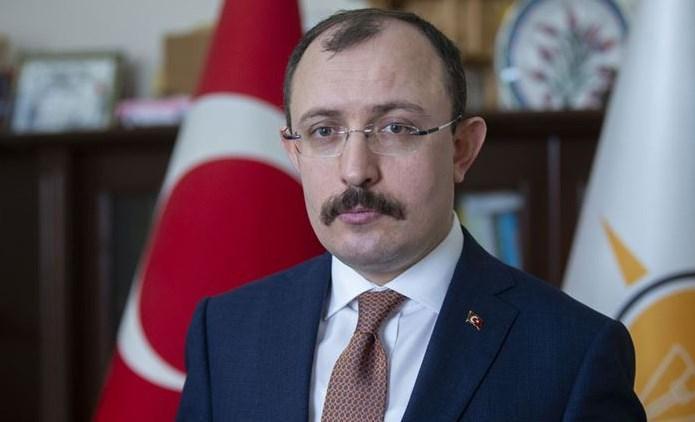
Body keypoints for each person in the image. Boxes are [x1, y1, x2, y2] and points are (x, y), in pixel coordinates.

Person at [178, 8, 645, 422]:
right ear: (294, 153)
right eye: (324, 131)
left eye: (395, 127)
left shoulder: (573, 352)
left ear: (462, 149)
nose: (355, 170)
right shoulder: (225, 333)